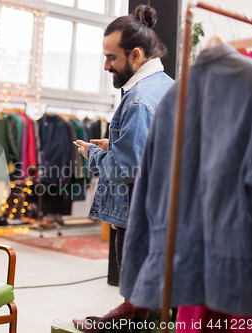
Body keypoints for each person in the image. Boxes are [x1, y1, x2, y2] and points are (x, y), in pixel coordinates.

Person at [73, 4, 174, 330]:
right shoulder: (166, 86)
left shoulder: (140, 99)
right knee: (150, 296)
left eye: (111, 58)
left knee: (139, 297)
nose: (106, 66)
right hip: (157, 210)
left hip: (134, 215)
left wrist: (92, 153)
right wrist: (113, 144)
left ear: (135, 55)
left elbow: (127, 168)